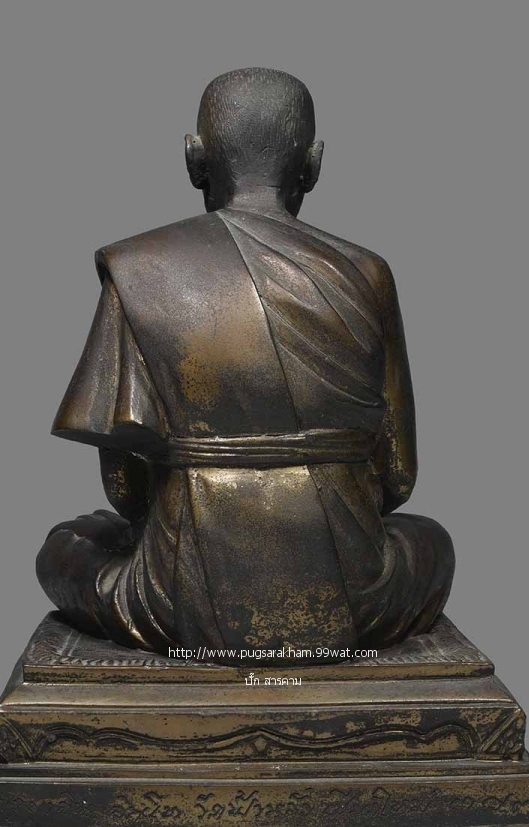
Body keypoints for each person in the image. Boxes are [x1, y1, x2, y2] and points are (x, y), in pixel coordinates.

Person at [36, 68, 455, 658]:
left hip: (177, 600)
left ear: (193, 158)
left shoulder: (139, 268)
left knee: (70, 543)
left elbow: (125, 490)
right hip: (353, 600)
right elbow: (397, 478)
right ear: (313, 164)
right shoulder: (368, 273)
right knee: (429, 540)